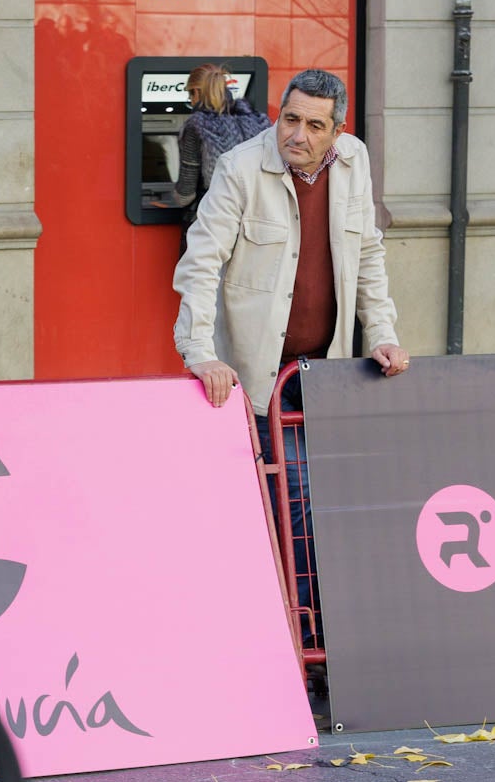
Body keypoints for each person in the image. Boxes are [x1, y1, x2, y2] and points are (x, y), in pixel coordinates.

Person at [173, 68, 410, 644]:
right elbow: (200, 265)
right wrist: (200, 352)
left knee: (320, 502)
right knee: (288, 501)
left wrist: (381, 331)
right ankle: (298, 641)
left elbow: (369, 254)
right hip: (257, 377)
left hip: (328, 373)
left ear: (337, 130)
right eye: (290, 118)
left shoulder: (353, 163)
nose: (296, 134)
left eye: (314, 125)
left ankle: (319, 635)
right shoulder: (239, 170)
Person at [172, 63, 271, 255]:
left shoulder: (197, 125)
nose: (190, 101)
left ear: (197, 92)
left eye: (190, 95)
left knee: (204, 282)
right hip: (253, 224)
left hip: (212, 225)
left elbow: (185, 194)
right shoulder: (259, 121)